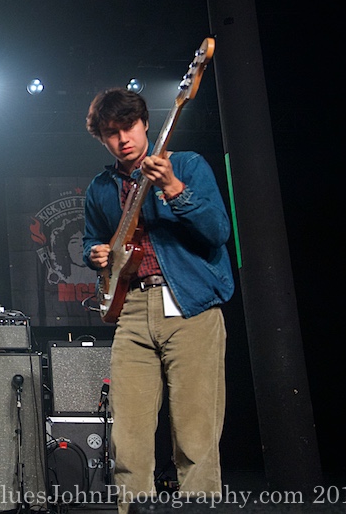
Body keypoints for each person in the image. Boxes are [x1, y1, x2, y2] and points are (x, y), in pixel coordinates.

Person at [81, 88, 233, 509]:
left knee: (196, 435)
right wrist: (94, 254)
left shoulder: (186, 165)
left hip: (190, 305)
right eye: (111, 133)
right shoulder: (100, 188)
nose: (122, 139)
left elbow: (218, 232)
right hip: (131, 308)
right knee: (127, 437)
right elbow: (92, 240)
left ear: (145, 123)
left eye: (128, 126)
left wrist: (174, 188)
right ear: (102, 139)